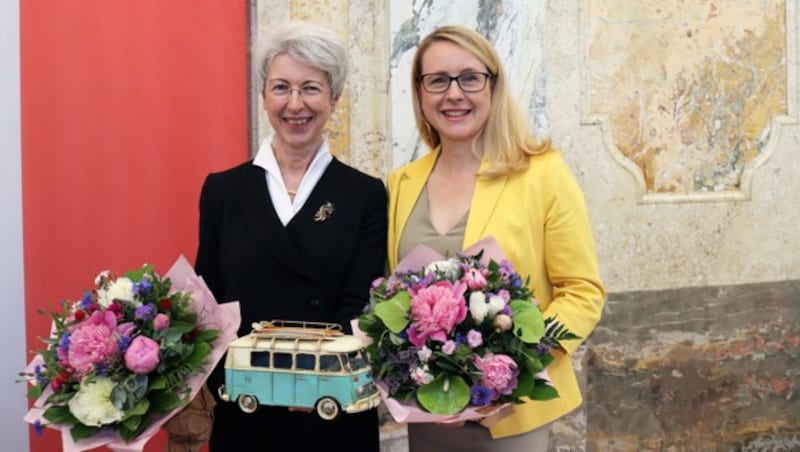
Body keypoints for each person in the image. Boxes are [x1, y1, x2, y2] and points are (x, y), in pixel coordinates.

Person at [166, 21, 387, 451]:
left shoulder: (364, 193)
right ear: (264, 97)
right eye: (281, 87)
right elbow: (209, 305)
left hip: (332, 404)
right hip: (247, 405)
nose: (295, 104)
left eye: (311, 88)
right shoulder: (223, 191)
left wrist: (309, 379)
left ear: (334, 99)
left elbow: (360, 304)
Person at [386, 25, 606, 451]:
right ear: (419, 92)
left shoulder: (542, 173)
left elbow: (582, 292)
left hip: (512, 414)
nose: (454, 94)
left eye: (469, 78)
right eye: (437, 80)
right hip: (428, 415)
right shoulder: (401, 183)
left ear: (493, 86)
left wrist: (515, 366)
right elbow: (392, 297)